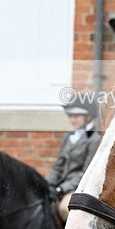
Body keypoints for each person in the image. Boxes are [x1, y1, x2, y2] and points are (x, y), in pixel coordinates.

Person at [45, 92, 101, 222]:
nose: (72, 120)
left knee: (64, 208)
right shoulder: (68, 137)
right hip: (62, 184)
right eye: (70, 116)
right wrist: (45, 183)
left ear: (88, 116)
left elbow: (86, 172)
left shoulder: (93, 139)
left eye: (76, 116)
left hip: (79, 188)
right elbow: (59, 165)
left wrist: (62, 188)